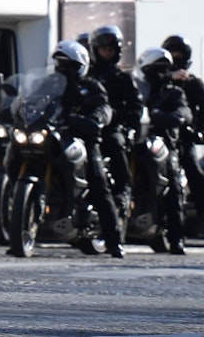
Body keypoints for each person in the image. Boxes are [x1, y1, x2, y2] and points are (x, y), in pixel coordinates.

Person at [49, 40, 124, 258]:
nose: (64, 70)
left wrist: (94, 120)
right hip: (56, 137)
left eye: (69, 66)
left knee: (98, 183)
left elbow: (103, 107)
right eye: (61, 65)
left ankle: (114, 241)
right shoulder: (50, 84)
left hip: (84, 140)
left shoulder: (91, 86)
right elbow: (33, 101)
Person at [161, 35, 204, 230]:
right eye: (172, 54)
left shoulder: (193, 84)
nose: (176, 58)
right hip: (159, 134)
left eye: (179, 55)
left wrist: (201, 132)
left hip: (183, 136)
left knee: (193, 166)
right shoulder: (156, 80)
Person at [87, 25, 139, 238]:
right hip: (87, 126)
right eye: (102, 49)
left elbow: (136, 106)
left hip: (111, 127)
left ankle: (123, 190)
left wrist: (128, 126)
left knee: (116, 144)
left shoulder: (122, 78)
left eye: (110, 49)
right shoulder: (86, 74)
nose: (106, 53)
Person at [136, 47, 189, 254]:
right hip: (139, 142)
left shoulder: (174, 92)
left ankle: (177, 239)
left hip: (165, 145)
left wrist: (170, 117)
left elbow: (183, 113)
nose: (156, 74)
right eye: (152, 69)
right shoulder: (139, 91)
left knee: (173, 187)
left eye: (160, 69)